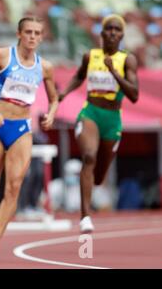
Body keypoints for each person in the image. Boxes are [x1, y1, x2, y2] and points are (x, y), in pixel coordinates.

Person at [0, 16, 59, 262]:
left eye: (37, 33)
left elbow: (54, 98)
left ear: (42, 37)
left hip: (22, 129)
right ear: (19, 34)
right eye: (29, 32)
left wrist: (52, 114)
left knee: (13, 188)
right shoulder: (2, 56)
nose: (33, 36)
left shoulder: (45, 67)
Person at [58, 14, 139, 233]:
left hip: (112, 120)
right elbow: (78, 76)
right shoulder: (90, 56)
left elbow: (134, 95)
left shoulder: (127, 60)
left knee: (100, 175)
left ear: (122, 35)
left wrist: (114, 71)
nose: (113, 32)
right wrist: (63, 93)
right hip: (91, 113)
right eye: (109, 28)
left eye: (117, 29)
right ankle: (85, 217)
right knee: (88, 156)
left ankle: (92, 186)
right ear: (102, 33)